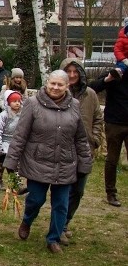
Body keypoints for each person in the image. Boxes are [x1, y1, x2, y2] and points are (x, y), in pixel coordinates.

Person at [4, 70, 92, 254]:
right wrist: (11, 162)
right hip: (38, 162)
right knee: (36, 199)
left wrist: (84, 163)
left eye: (60, 84)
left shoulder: (74, 105)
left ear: (67, 86)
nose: (55, 87)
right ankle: (27, 221)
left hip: (65, 163)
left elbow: (80, 138)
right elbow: (20, 135)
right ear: (47, 83)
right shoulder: (32, 103)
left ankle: (53, 238)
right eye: (53, 83)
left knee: (61, 204)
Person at [59, 58, 105, 240]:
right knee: (63, 190)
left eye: (75, 72)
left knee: (78, 191)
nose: (72, 75)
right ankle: (59, 227)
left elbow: (98, 118)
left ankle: (66, 221)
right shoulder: (58, 91)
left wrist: (94, 139)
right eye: (68, 71)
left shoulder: (90, 94)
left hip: (85, 150)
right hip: (62, 149)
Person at [87, 65, 124, 207]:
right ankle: (111, 193)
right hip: (114, 123)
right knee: (112, 159)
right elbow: (92, 88)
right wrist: (109, 79)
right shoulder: (114, 72)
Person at [0, 91, 24, 191]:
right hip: (4, 143)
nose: (17, 103)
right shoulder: (3, 116)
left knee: (15, 165)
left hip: (16, 143)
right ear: (8, 103)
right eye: (14, 101)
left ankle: (16, 183)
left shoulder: (22, 115)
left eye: (19, 101)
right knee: (2, 164)